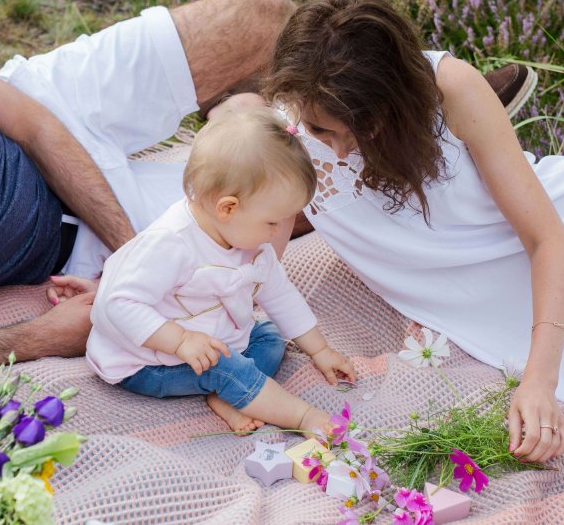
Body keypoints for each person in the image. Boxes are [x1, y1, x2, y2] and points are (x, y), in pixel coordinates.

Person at [0, 0, 534, 390]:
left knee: (263, 14)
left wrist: (136, 244)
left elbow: (39, 124)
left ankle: (423, 95)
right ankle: (383, 141)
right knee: (267, 214)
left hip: (59, 103)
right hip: (54, 240)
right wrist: (51, 332)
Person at [248, 0, 564, 468]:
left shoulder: (450, 87)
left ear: (398, 98)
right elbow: (252, 246)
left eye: (360, 127)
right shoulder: (287, 127)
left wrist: (539, 380)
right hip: (518, 310)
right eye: (321, 130)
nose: (337, 149)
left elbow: (547, 239)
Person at [76, 107, 356, 434]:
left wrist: (320, 350)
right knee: (225, 366)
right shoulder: (171, 245)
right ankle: (301, 416)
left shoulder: (251, 242)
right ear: (228, 208)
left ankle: (229, 396)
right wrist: (180, 341)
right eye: (272, 221)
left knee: (269, 339)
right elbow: (117, 303)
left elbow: (280, 294)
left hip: (211, 335)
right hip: (147, 359)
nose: (279, 230)